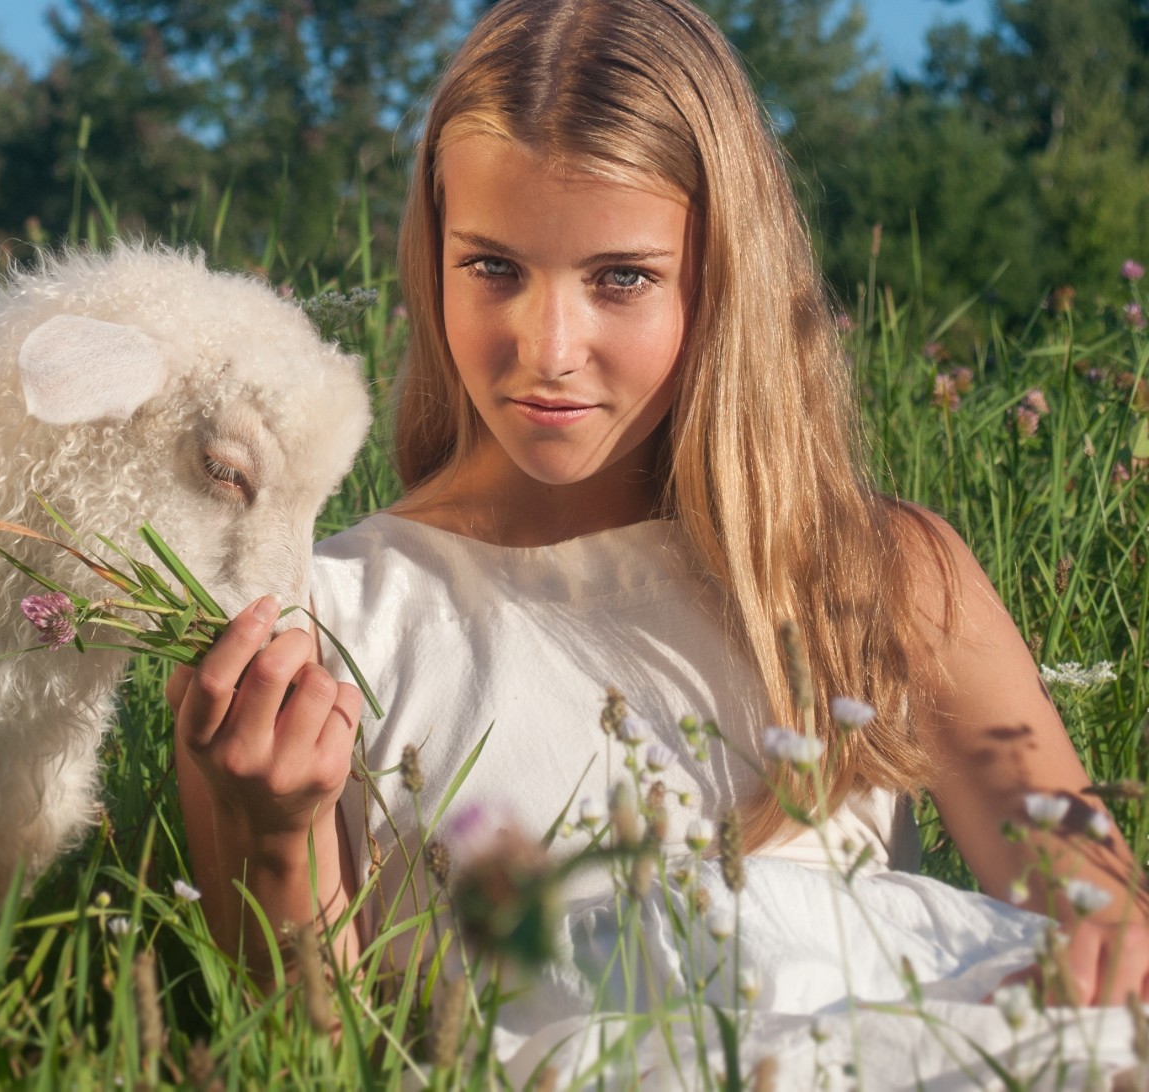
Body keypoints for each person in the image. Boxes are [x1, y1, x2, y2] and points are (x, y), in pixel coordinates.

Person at [169, 0, 1149, 1084]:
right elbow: (313, 1056)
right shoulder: (318, 626)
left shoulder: (882, 575)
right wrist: (276, 835)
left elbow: (1101, 928)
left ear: (723, 277)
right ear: (430, 256)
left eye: (620, 278)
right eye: (491, 267)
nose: (548, 349)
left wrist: (1101, 921)